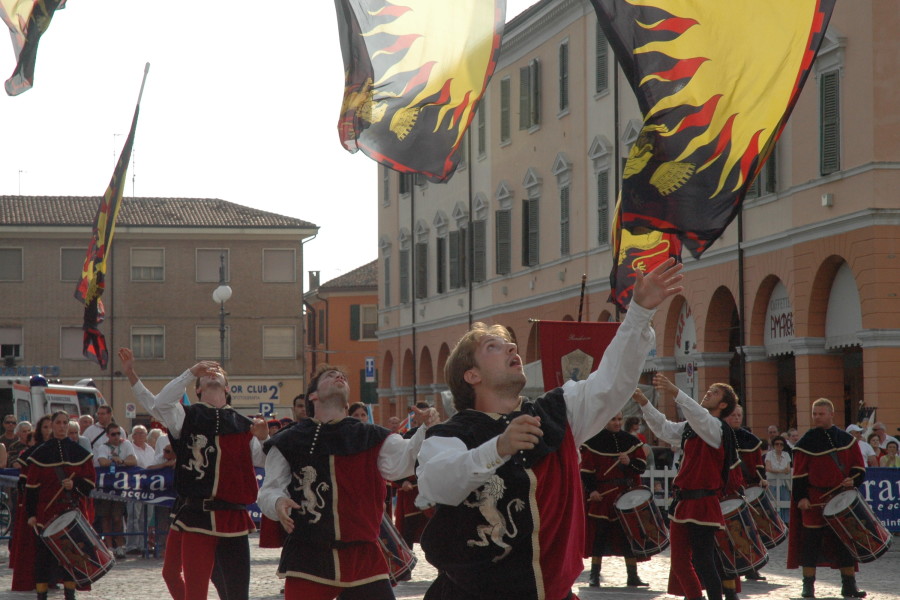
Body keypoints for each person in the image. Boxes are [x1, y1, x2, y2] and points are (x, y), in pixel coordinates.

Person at [415, 258, 682, 600]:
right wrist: (498, 448)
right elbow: (441, 484)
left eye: (509, 343)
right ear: (472, 376)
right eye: (492, 347)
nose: (512, 347)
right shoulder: (448, 436)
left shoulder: (558, 412)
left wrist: (640, 313)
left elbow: (613, 381)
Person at [257, 364, 439, 600]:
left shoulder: (371, 435)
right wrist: (277, 501)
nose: (338, 376)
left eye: (341, 376)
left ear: (346, 401)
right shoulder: (289, 440)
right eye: (329, 376)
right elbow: (269, 490)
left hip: (363, 556)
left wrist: (425, 428)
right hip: (307, 556)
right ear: (313, 396)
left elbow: (402, 464)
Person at [121, 348, 268, 600]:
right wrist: (190, 373)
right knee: (194, 592)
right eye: (205, 376)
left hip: (232, 516)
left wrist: (265, 439)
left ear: (228, 388)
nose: (213, 374)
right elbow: (161, 403)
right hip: (196, 516)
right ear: (198, 389)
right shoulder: (185, 417)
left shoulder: (245, 424)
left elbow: (264, 460)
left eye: (218, 373)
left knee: (237, 594)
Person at [634, 374, 739, 600]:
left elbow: (699, 416)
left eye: (714, 392)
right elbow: (664, 428)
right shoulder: (693, 427)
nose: (708, 393)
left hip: (703, 502)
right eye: (709, 389)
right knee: (680, 564)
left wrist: (674, 390)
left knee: (704, 561)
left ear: (723, 405)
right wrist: (645, 403)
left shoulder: (717, 428)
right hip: (683, 502)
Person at [787, 398, 866, 599]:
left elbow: (858, 468)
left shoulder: (846, 440)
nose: (817, 417)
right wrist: (802, 498)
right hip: (814, 499)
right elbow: (799, 476)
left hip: (840, 498)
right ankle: (808, 587)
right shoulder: (806, 442)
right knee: (810, 544)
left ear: (832, 414)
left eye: (821, 414)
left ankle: (849, 586)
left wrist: (852, 480)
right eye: (814, 414)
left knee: (844, 542)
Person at [25, 411, 96, 600]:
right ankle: (42, 596)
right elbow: (31, 488)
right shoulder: (40, 453)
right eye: (58, 423)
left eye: (65, 423)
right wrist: (31, 514)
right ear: (52, 425)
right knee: (43, 558)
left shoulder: (79, 453)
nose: (62, 426)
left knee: (70, 557)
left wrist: (75, 485)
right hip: (44, 513)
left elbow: (89, 484)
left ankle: (69, 595)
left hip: (70, 511)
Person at [580, 412, 648, 588]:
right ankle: (594, 575)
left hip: (625, 494)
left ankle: (632, 575)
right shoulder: (593, 442)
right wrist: (592, 490)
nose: (617, 423)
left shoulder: (630, 441)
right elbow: (586, 472)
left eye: (619, 419)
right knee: (600, 535)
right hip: (603, 495)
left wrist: (628, 463)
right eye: (613, 419)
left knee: (627, 535)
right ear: (604, 420)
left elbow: (640, 468)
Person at [9, 415, 51, 592]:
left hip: (54, 501)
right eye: (46, 427)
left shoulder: (61, 448)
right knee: (36, 541)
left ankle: (54, 577)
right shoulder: (37, 449)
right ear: (40, 430)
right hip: (37, 500)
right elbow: (19, 464)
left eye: (52, 426)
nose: (49, 430)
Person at [392, 402, 435, 552]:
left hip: (433, 491)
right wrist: (402, 481)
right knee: (408, 531)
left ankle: (442, 570)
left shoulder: (439, 433)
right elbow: (399, 462)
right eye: (419, 413)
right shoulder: (409, 436)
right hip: (412, 492)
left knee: (435, 529)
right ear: (415, 417)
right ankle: (406, 566)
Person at [94, 422, 137, 558]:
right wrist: (114, 459)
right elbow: (102, 462)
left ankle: (120, 545)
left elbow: (133, 460)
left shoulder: (126, 444)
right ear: (108, 435)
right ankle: (109, 546)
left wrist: (121, 461)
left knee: (118, 517)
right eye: (113, 434)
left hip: (119, 488)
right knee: (105, 517)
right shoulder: (103, 447)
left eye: (119, 433)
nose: (117, 436)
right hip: (105, 488)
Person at [765, 435, 792, 522]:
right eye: (777, 444)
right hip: (772, 484)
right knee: (773, 504)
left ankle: (786, 522)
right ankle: (775, 522)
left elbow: (788, 469)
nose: (779, 446)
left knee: (786, 502)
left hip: (784, 484)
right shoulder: (769, 454)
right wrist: (781, 471)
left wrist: (777, 471)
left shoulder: (786, 454)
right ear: (773, 445)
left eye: (781, 444)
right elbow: (768, 468)